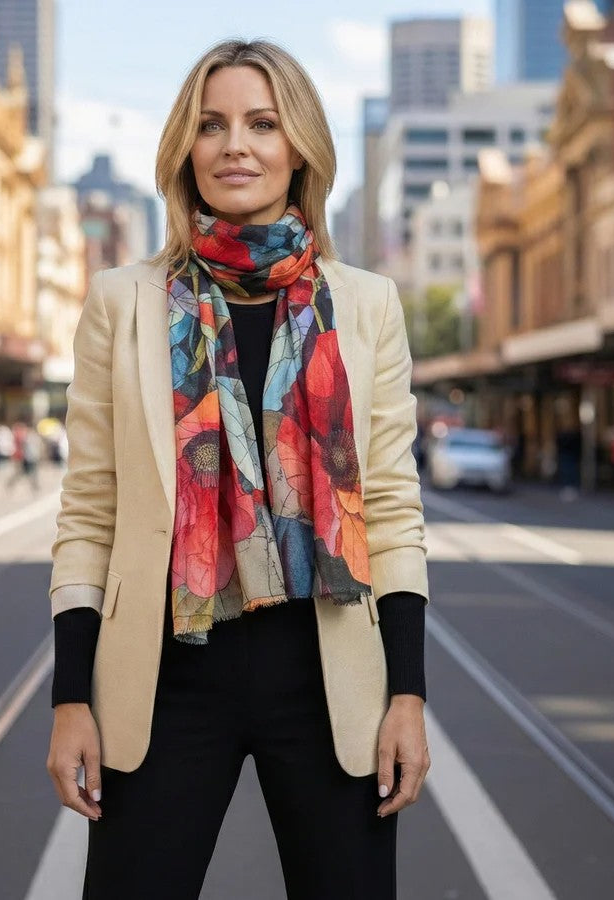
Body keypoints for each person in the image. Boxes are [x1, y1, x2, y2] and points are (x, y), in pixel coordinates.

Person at [46, 40, 430, 900]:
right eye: (212, 125)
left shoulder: (365, 305)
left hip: (331, 681)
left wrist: (408, 693)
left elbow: (394, 512)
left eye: (263, 123)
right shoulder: (124, 301)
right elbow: (89, 517)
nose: (236, 146)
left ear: (300, 150)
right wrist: (72, 697)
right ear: (186, 149)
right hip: (167, 680)